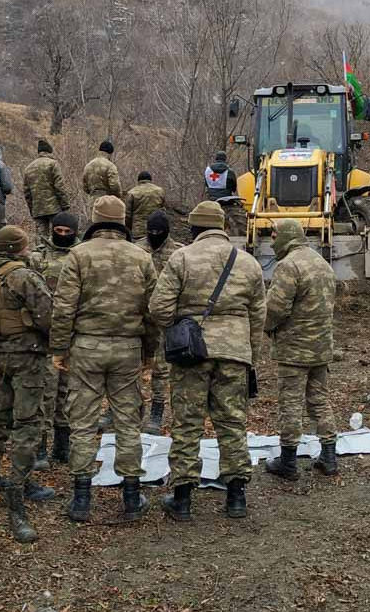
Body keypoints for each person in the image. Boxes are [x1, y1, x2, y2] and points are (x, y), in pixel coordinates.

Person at [149, 201, 266, 520]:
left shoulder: (181, 258)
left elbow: (158, 309)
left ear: (195, 228)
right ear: (223, 228)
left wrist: (182, 326)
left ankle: (183, 499)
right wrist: (249, 353)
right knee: (232, 422)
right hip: (234, 352)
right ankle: (236, 497)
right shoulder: (248, 263)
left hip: (191, 354)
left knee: (187, 424)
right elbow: (258, 316)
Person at [51, 195, 157, 523]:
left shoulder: (78, 256)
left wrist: (59, 348)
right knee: (128, 422)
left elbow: (64, 307)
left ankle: (81, 498)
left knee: (82, 422)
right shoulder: (142, 257)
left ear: (96, 220)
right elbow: (152, 312)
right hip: (127, 350)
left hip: (86, 349)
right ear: (123, 221)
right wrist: (149, 354)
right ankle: (131, 496)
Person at [0, 226, 55, 543]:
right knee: (27, 422)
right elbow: (48, 317)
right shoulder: (23, 277)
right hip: (27, 357)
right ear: (19, 248)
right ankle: (18, 486)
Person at [263, 219, 339, 481]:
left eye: (274, 236)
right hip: (320, 347)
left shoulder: (288, 266)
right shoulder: (321, 263)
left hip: (293, 350)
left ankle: (288, 462)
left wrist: (266, 327)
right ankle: (329, 456)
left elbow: (274, 309)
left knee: (291, 404)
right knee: (319, 400)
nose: (272, 242)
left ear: (285, 237)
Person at [28, 211, 80, 466]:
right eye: (57, 231)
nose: (61, 235)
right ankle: (40, 447)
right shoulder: (38, 257)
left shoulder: (81, 257)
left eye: (66, 232)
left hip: (74, 334)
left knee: (68, 392)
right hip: (46, 334)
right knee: (45, 391)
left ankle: (63, 445)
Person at [135, 210, 183, 435]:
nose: (154, 235)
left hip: (165, 319)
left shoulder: (179, 253)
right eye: (151, 231)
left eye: (159, 232)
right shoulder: (136, 250)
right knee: (130, 366)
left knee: (161, 369)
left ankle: (157, 410)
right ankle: (131, 409)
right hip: (137, 317)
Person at [23, 138, 70, 243]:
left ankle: (40, 258)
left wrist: (32, 210)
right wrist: (65, 205)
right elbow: (59, 186)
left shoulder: (28, 168)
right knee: (58, 236)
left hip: (38, 209)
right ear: (49, 151)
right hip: (54, 208)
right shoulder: (53, 164)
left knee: (41, 239)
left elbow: (27, 193)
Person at [203, 151, 244, 237]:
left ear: (216, 158)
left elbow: (206, 184)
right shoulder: (229, 171)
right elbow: (233, 186)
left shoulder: (208, 170)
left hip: (212, 197)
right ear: (225, 159)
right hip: (226, 198)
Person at [124, 172, 166, 241]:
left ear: (139, 181)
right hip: (156, 229)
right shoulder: (160, 191)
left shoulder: (132, 193)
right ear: (150, 180)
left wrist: (128, 228)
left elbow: (128, 215)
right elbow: (163, 211)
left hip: (138, 231)